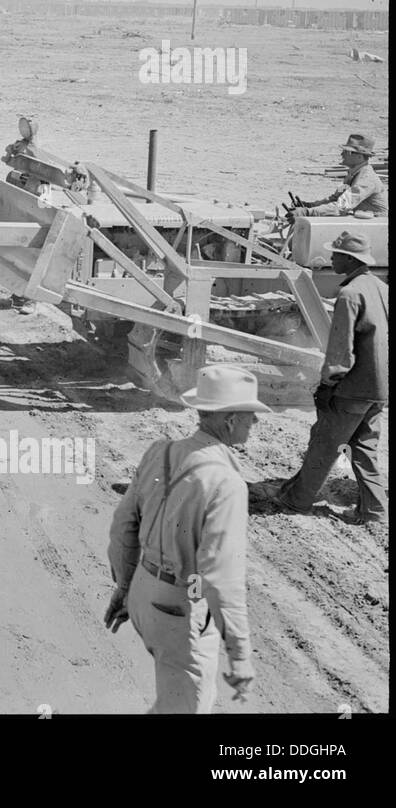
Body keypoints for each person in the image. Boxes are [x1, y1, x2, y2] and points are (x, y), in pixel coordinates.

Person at [105, 364, 265, 713]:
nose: (255, 423)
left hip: (144, 594)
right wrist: (239, 653)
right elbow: (222, 578)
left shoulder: (159, 451)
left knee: (174, 701)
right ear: (229, 419)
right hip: (179, 608)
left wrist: (125, 587)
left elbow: (122, 526)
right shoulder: (227, 484)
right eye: (250, 415)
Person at [262, 232, 387, 533]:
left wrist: (329, 382)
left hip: (352, 388)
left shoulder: (349, 295)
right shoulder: (382, 288)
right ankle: (374, 510)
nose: (330, 259)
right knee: (363, 447)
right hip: (379, 387)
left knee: (325, 444)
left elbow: (341, 348)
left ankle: (297, 501)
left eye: (335, 255)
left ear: (350, 259)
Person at [2, 117, 41, 314]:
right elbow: (10, 166)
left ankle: (30, 300)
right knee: (16, 253)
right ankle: (18, 293)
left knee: (31, 254)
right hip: (18, 203)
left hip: (32, 206)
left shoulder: (36, 152)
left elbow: (41, 179)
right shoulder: (20, 147)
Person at [297, 133, 387, 217]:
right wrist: (310, 205)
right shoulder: (352, 174)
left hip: (377, 223)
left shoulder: (367, 179)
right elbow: (335, 198)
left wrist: (307, 212)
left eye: (347, 152)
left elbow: (342, 206)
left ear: (359, 156)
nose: (342, 154)